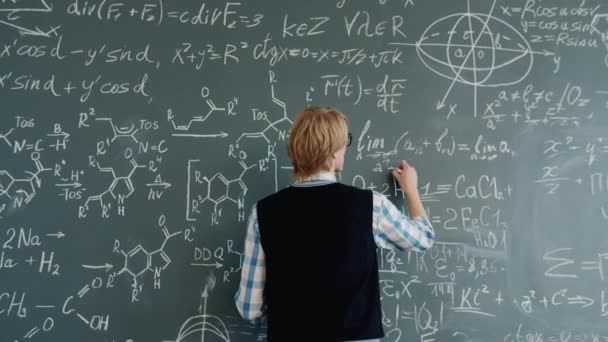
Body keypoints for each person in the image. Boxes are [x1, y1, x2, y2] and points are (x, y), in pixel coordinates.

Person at [234, 106, 435, 342]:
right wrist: (411, 189)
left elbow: (250, 308)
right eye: (344, 142)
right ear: (332, 152)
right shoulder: (370, 206)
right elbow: (423, 239)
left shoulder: (263, 212)